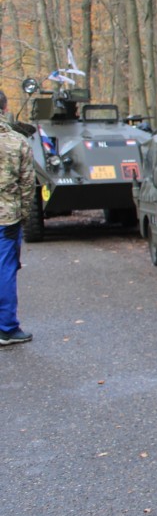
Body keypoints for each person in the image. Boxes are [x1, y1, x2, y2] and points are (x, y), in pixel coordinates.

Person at [0, 89, 35, 346]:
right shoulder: (17, 142)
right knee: (5, 270)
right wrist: (23, 216)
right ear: (5, 109)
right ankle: (6, 328)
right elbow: (27, 185)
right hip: (7, 219)